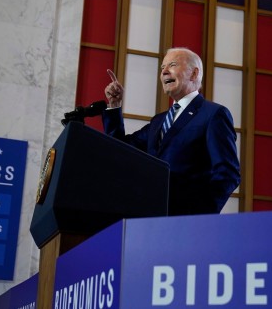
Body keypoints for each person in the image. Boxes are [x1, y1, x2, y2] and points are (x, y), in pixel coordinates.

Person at [102, 47, 241, 215]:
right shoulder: (158, 121)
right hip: (147, 218)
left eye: (172, 65)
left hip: (186, 222)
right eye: (162, 68)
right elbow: (121, 149)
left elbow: (228, 173)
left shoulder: (213, 114)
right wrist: (114, 106)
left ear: (194, 74)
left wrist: (199, 215)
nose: (164, 72)